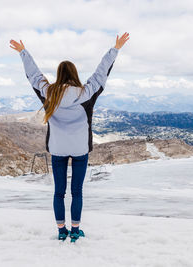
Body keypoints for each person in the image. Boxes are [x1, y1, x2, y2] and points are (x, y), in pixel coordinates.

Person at [10, 32, 130, 242]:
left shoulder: (49, 93)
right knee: (77, 192)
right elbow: (101, 73)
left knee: (59, 193)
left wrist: (23, 52)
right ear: (74, 74)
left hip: (58, 148)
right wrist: (115, 49)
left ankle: (61, 231)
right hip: (80, 149)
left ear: (59, 74)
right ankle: (75, 230)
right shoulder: (86, 93)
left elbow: (34, 75)